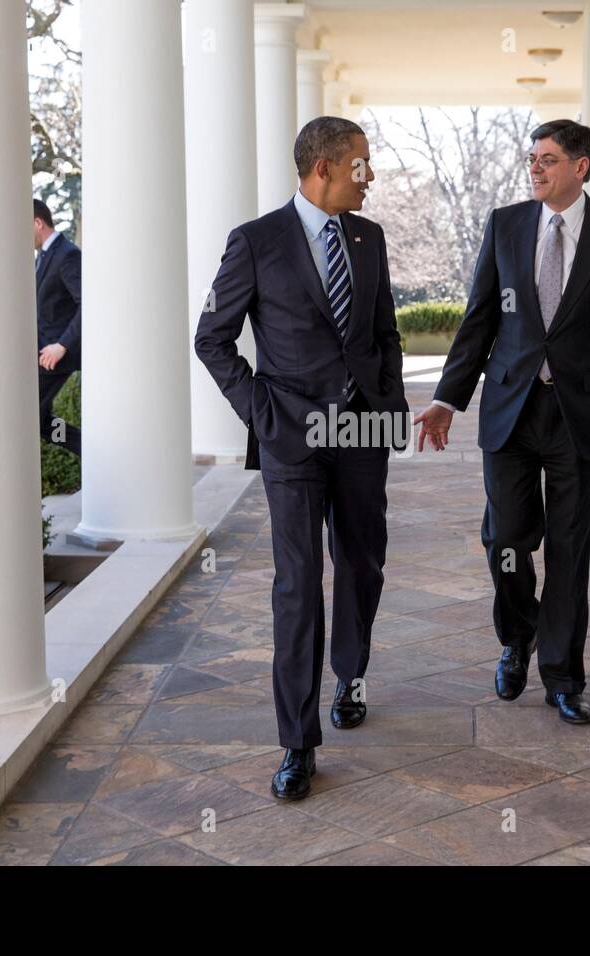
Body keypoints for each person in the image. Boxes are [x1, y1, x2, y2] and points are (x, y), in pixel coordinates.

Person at [194, 116, 408, 801]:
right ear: (324, 169)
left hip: (363, 435)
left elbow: (384, 334)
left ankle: (350, 672)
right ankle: (296, 741)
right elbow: (213, 338)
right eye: (360, 166)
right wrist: (259, 411)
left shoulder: (368, 238)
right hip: (291, 436)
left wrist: (391, 406)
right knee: (297, 582)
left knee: (363, 560)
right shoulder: (255, 243)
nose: (368, 177)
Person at [414, 119, 590, 725]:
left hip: (581, 417)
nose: (535, 168)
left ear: (581, 166)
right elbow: (479, 317)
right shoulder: (506, 224)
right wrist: (447, 398)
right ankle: (517, 638)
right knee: (509, 538)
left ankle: (564, 676)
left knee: (570, 548)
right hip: (511, 412)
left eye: (548, 159)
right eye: (532, 159)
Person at [33, 198, 82, 457]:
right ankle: (93, 452)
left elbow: (87, 305)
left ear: (38, 222)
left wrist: (62, 346)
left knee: (28, 416)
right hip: (41, 355)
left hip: (55, 355)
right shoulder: (42, 257)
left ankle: (95, 454)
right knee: (38, 421)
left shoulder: (68, 255)